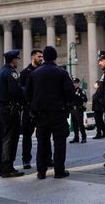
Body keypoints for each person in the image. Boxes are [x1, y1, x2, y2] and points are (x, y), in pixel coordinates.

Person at [26, 46, 74, 179]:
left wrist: (34, 107)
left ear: (44, 57)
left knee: (42, 142)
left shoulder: (34, 74)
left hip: (40, 114)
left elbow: (28, 94)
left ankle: (41, 171)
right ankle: (59, 171)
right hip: (58, 112)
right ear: (55, 57)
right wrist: (67, 105)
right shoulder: (61, 72)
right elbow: (70, 93)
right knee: (59, 142)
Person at [19, 49, 53, 169]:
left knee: (44, 135)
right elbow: (21, 91)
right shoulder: (24, 73)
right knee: (27, 136)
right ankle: (26, 160)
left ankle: (48, 158)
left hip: (41, 109)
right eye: (39, 56)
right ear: (32, 57)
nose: (41, 59)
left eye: (42, 57)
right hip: (29, 109)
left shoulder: (43, 71)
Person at [0, 50, 25, 178]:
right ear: (13, 60)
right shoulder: (12, 73)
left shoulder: (1, 71)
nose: (18, 61)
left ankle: (4, 166)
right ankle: (7, 168)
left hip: (2, 108)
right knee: (10, 139)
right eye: (17, 59)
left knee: (4, 138)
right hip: (11, 110)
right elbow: (16, 91)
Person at [70, 77, 87, 144]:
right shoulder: (71, 91)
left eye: (76, 83)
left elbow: (85, 99)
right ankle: (76, 137)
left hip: (79, 109)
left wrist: (79, 96)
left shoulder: (81, 91)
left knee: (80, 124)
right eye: (73, 83)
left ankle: (83, 137)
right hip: (73, 109)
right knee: (74, 124)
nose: (74, 84)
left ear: (78, 83)